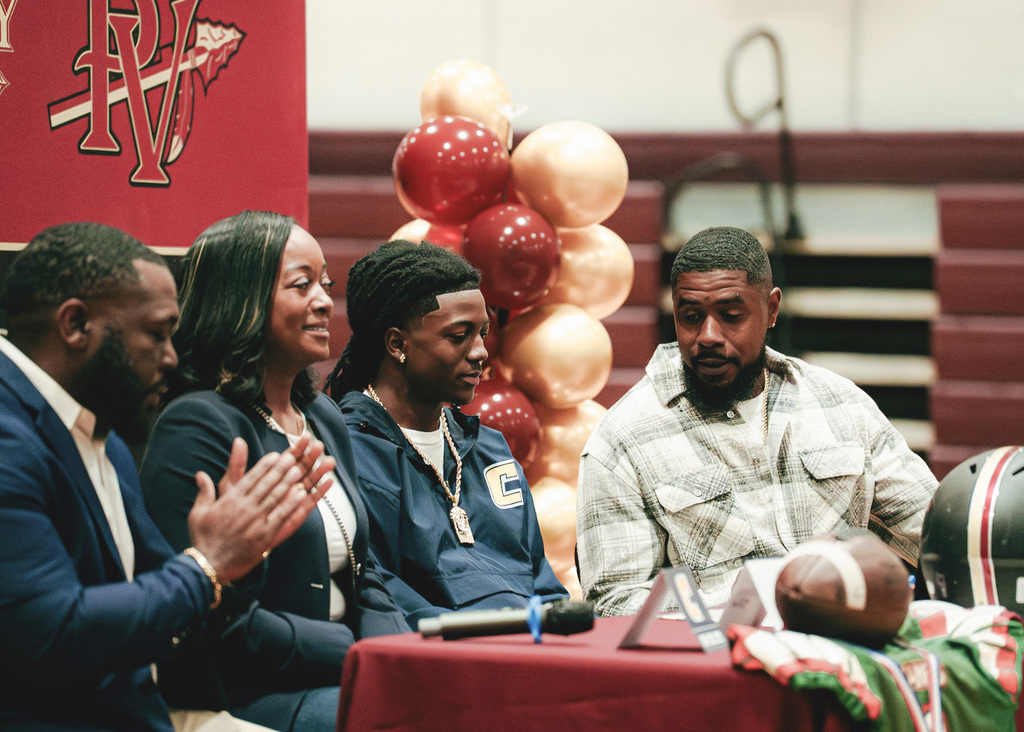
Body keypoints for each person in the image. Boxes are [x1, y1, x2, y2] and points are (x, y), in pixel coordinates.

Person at [0, 222, 331, 731]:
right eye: (156, 334)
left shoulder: (97, 430)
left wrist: (236, 559)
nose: (172, 358)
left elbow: (179, 602)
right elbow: (54, 635)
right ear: (75, 324)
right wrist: (207, 565)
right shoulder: (9, 437)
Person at [576, 226, 939, 615]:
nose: (708, 336)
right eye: (691, 317)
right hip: (719, 662)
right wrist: (749, 616)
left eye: (731, 316)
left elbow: (939, 535)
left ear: (772, 310)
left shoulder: (840, 404)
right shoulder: (621, 440)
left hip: (844, 650)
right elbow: (615, 603)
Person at [139, 211, 410, 730]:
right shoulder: (196, 424)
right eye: (301, 284)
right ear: (240, 299)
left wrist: (394, 648)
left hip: (335, 674)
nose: (325, 300)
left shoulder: (323, 416)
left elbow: (363, 567)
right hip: (239, 692)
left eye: (325, 283)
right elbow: (212, 619)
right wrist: (350, 652)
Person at [325, 240, 567, 627]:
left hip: (528, 653)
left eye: (483, 333)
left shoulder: (490, 448)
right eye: (459, 335)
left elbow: (541, 578)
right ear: (397, 344)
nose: (480, 352)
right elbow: (381, 595)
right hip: (441, 662)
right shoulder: (349, 450)